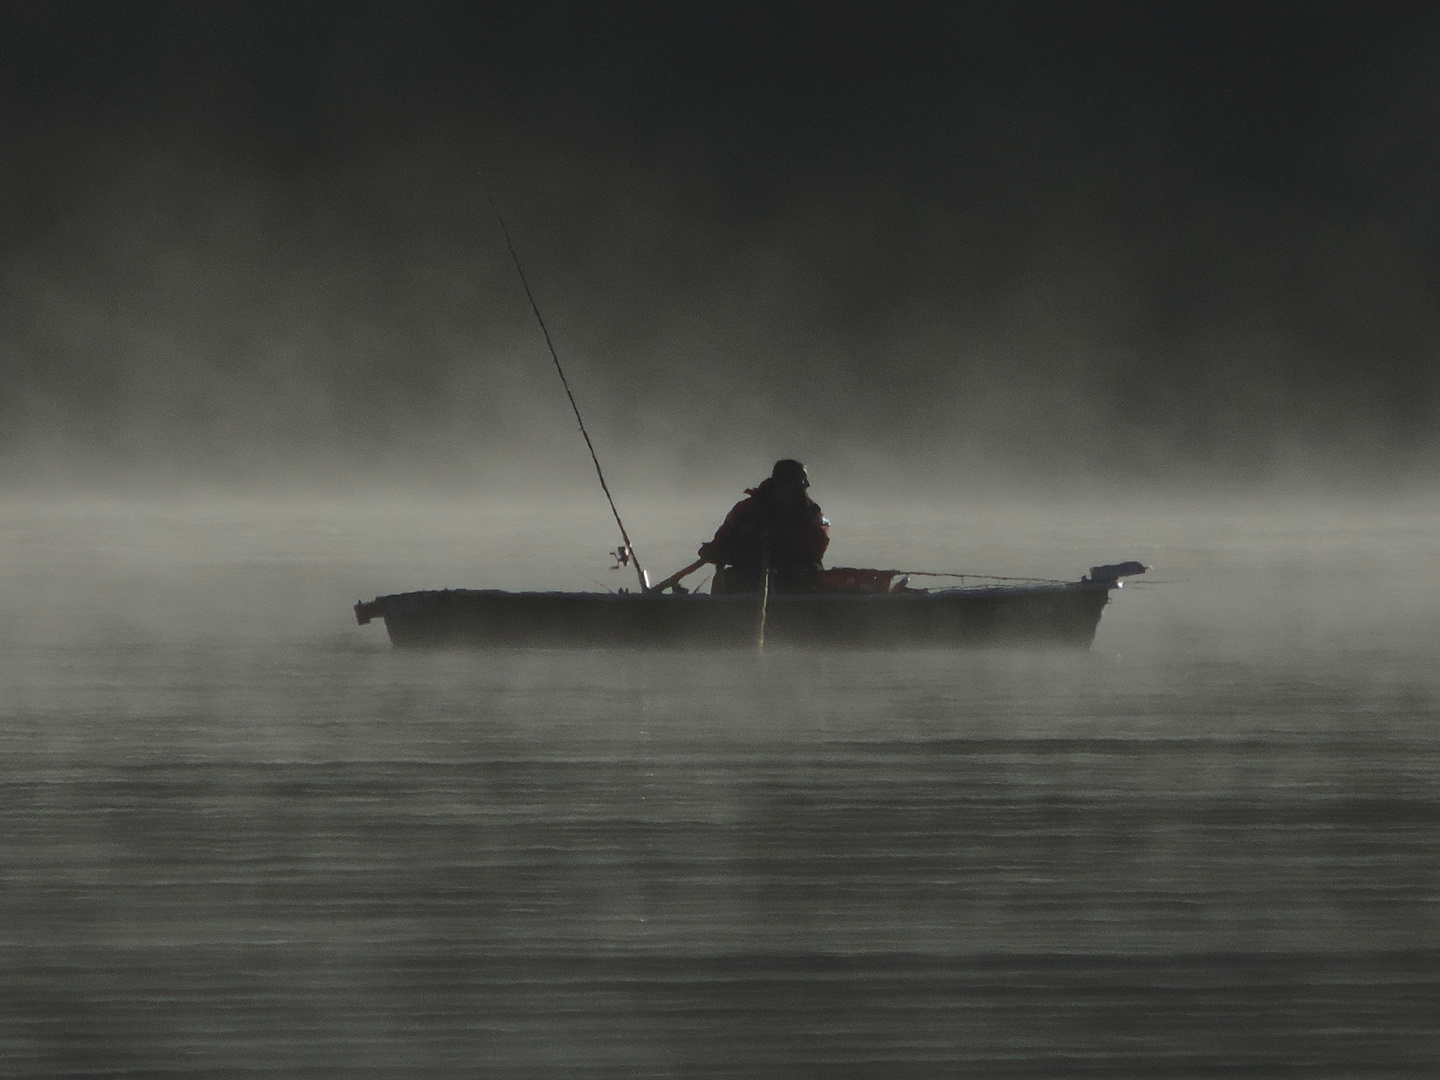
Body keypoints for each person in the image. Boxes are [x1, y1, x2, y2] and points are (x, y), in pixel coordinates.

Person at [698, 459, 830, 594]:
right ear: (785, 483)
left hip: (798, 575)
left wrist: (783, 535)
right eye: (802, 480)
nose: (807, 485)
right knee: (726, 579)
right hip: (751, 574)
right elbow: (722, 541)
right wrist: (713, 550)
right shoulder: (746, 510)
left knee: (808, 581)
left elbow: (818, 547)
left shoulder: (810, 512)